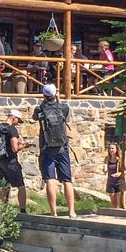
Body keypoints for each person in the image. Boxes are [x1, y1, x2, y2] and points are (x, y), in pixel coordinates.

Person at [33, 84, 76, 218]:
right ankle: (71, 212)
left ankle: (54, 212)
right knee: (67, 180)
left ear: (44, 95)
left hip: (47, 148)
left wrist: (44, 102)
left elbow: (35, 117)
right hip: (62, 148)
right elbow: (67, 118)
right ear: (56, 94)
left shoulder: (39, 109)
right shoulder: (64, 107)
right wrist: (59, 100)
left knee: (50, 179)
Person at [0, 109, 30, 212]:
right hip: (11, 162)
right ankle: (23, 211)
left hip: (0, 161)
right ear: (14, 118)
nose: (18, 123)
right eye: (18, 120)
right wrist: (25, 145)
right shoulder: (12, 130)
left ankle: (0, 211)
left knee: (4, 186)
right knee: (21, 186)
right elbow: (15, 148)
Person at [106, 141, 126, 209]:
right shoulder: (107, 159)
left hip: (119, 182)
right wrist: (104, 170)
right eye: (109, 148)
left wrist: (120, 173)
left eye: (112, 148)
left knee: (121, 204)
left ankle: (125, 216)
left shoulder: (120, 159)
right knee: (113, 203)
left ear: (116, 149)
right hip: (110, 182)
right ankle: (114, 217)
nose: (111, 150)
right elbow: (105, 168)